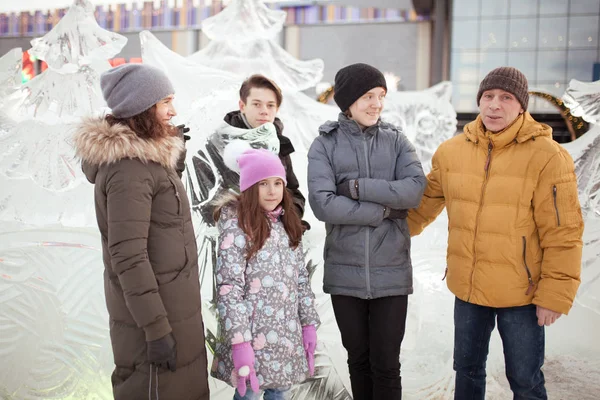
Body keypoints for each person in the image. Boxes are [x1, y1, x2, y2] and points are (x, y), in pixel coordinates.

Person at [407, 66, 584, 400]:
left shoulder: (548, 157)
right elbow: (421, 209)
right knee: (467, 372)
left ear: (521, 106)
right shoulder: (451, 152)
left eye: (505, 97)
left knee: (525, 381)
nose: (494, 105)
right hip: (469, 288)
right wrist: (375, 235)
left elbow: (563, 232)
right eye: (488, 96)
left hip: (523, 294)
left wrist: (554, 294)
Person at [73, 64, 209, 400]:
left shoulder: (145, 163)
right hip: (155, 321)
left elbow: (162, 226)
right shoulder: (128, 170)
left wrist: (171, 162)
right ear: (142, 109)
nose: (173, 111)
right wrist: (156, 330)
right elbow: (129, 256)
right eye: (165, 102)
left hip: (173, 310)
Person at [307, 63, 427, 400]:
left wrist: (358, 187)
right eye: (368, 96)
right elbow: (323, 205)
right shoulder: (324, 145)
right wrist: (384, 211)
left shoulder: (396, 141)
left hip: (391, 272)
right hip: (345, 273)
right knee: (358, 360)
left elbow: (414, 190)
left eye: (381, 96)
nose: (376, 103)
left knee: (387, 364)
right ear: (348, 101)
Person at [210, 144, 320, 400]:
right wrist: (240, 343)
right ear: (249, 187)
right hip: (251, 340)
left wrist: (308, 325)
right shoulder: (237, 226)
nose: (272, 191)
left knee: (278, 393)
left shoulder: (287, 224)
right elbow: (229, 288)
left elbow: (301, 281)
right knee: (248, 394)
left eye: (277, 183)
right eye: (263, 184)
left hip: (285, 341)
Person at [223, 74, 309, 230]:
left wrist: (287, 221)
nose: (264, 111)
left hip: (275, 239)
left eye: (270, 105)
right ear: (242, 106)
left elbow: (294, 193)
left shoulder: (279, 143)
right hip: (234, 236)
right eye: (257, 104)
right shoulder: (220, 143)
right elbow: (206, 202)